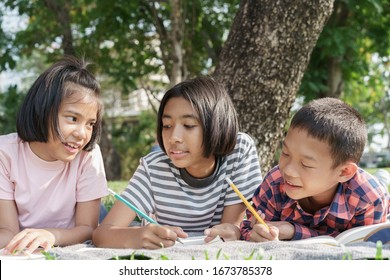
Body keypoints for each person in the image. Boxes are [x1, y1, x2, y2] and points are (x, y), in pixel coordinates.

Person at [93, 76, 262, 249]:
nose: (173, 137)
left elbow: (230, 228)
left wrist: (234, 230)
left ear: (217, 125)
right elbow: (102, 234)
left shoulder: (239, 150)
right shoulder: (153, 168)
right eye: (167, 126)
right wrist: (138, 235)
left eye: (188, 125)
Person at [240, 97, 390, 242]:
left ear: (344, 172)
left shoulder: (369, 199)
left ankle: (382, 179)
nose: (288, 171)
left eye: (306, 164)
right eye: (285, 153)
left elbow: (365, 246)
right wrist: (258, 234)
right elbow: (247, 229)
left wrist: (293, 230)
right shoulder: (275, 181)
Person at [0, 56, 108, 254]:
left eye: (90, 124)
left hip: (70, 232)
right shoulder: (5, 153)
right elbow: (8, 232)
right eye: (73, 118)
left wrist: (51, 235)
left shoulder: (88, 155)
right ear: (42, 110)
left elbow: (88, 229)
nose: (82, 133)